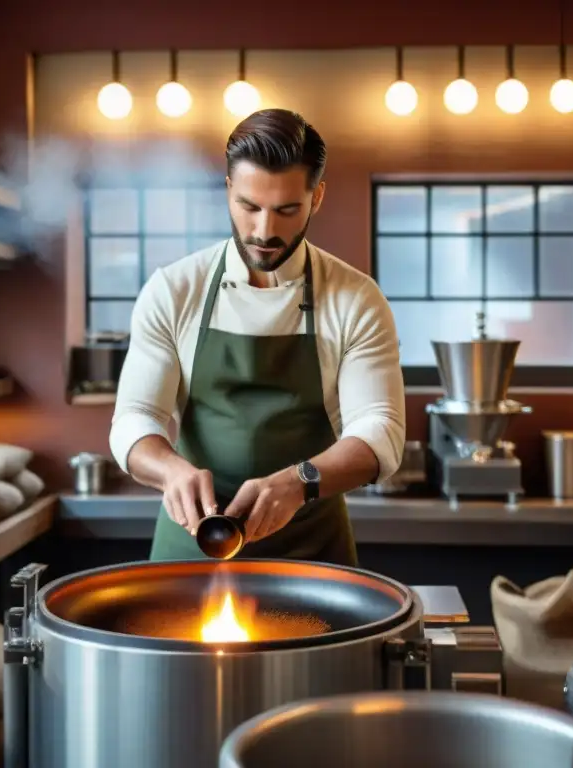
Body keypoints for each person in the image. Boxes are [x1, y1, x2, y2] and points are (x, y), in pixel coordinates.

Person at [108, 108, 406, 566]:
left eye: (287, 210)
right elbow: (134, 419)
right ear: (229, 191)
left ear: (317, 197)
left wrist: (299, 481)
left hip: (312, 552)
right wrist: (170, 472)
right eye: (249, 207)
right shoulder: (174, 290)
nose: (265, 231)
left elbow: (380, 431)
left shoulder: (356, 299)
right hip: (192, 546)